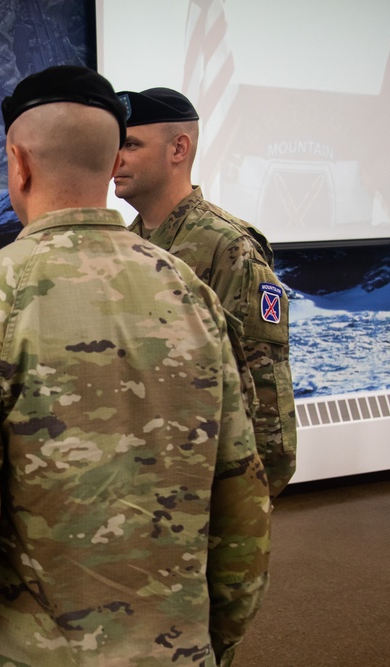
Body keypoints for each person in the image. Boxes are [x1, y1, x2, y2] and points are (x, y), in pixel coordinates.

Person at [0, 65, 271, 667]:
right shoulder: (190, 294)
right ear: (109, 167)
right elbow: (243, 496)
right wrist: (212, 641)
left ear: (18, 164)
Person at [114, 87, 297, 499]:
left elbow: (263, 384)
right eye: (115, 145)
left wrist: (250, 498)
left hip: (207, 482)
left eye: (131, 145)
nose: (116, 159)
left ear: (178, 149)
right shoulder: (122, 247)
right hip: (142, 478)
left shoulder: (229, 247)